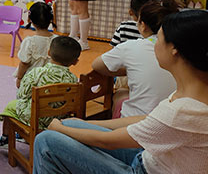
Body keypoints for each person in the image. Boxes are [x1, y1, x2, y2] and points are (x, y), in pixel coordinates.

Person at [33, 10, 208, 174]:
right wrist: (84, 123)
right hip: (153, 157)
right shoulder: (194, 91)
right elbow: (148, 119)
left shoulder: (183, 110)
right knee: (69, 125)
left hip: (144, 169)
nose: (154, 45)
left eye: (158, 40)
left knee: (46, 140)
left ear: (174, 50)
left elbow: (108, 142)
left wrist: (57, 127)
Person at [92, 0, 179, 117]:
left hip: (135, 124)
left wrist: (127, 70)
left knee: (121, 94)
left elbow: (97, 65)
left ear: (143, 25)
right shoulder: (183, 49)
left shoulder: (132, 47)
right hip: (173, 117)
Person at [0, 36, 81, 149]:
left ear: (49, 52)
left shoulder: (36, 73)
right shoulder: (73, 80)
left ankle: (5, 140)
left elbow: (22, 95)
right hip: (59, 120)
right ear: (75, 62)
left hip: (35, 118)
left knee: (10, 107)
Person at [13, 2, 57, 88]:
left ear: (29, 19)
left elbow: (24, 63)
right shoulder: (57, 40)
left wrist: (19, 78)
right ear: (51, 19)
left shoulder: (30, 41)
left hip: (31, 81)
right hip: (50, 81)